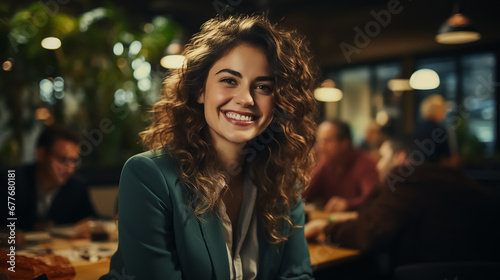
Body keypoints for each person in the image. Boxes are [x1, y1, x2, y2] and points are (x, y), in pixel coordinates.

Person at [101, 14, 317, 280]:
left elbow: (298, 276)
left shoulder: (283, 180)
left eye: (263, 86)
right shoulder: (148, 175)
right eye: (229, 80)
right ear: (200, 90)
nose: (246, 99)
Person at [305, 134, 500, 268]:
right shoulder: (447, 178)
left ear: (400, 159)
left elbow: (369, 232)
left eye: (382, 157)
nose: (378, 165)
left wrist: (324, 228)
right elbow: (374, 215)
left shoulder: (407, 177)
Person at [1, 125, 97, 237]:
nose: (70, 169)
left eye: (74, 161)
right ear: (40, 154)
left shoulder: (76, 186)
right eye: (62, 160)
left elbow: (92, 219)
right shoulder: (10, 182)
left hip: (58, 252)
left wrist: (90, 225)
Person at [304, 120, 379, 213]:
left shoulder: (365, 164)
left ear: (344, 143)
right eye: (319, 141)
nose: (320, 147)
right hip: (332, 224)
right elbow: (305, 196)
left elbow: (373, 199)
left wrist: (348, 204)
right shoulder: (325, 166)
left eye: (326, 141)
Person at [414, 94, 459, 167]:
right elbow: (445, 158)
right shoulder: (440, 131)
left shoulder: (417, 128)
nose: (444, 113)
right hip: (435, 171)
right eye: (443, 110)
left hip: (417, 170)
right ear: (437, 110)